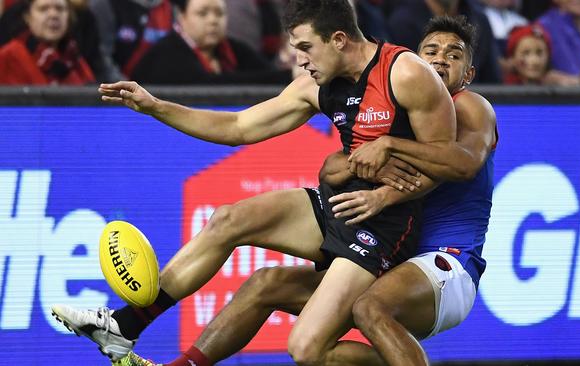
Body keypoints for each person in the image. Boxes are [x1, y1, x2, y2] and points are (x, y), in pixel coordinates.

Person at [51, 0, 456, 365]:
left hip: (384, 224)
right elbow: (240, 126)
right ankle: (125, 326)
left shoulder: (405, 74)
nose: (300, 60)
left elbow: (448, 162)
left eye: (305, 48)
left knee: (304, 348)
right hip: (339, 202)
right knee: (229, 219)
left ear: (338, 39)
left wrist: (384, 196)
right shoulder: (316, 84)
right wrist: (156, 107)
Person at [130, 0, 289, 85]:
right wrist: (288, 76)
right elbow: (210, 85)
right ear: (181, 16)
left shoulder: (234, 48)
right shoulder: (166, 53)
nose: (213, 20)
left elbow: (266, 73)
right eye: (203, 13)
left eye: (219, 13)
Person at [387, 0, 502, 83]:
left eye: (453, 56)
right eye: (431, 53)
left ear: (469, 74)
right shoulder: (401, 22)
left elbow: (493, 79)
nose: (441, 60)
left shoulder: (480, 19)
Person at [0, 0, 96, 84]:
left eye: (60, 9)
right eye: (43, 9)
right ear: (28, 17)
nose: (53, 15)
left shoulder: (74, 56)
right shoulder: (9, 55)